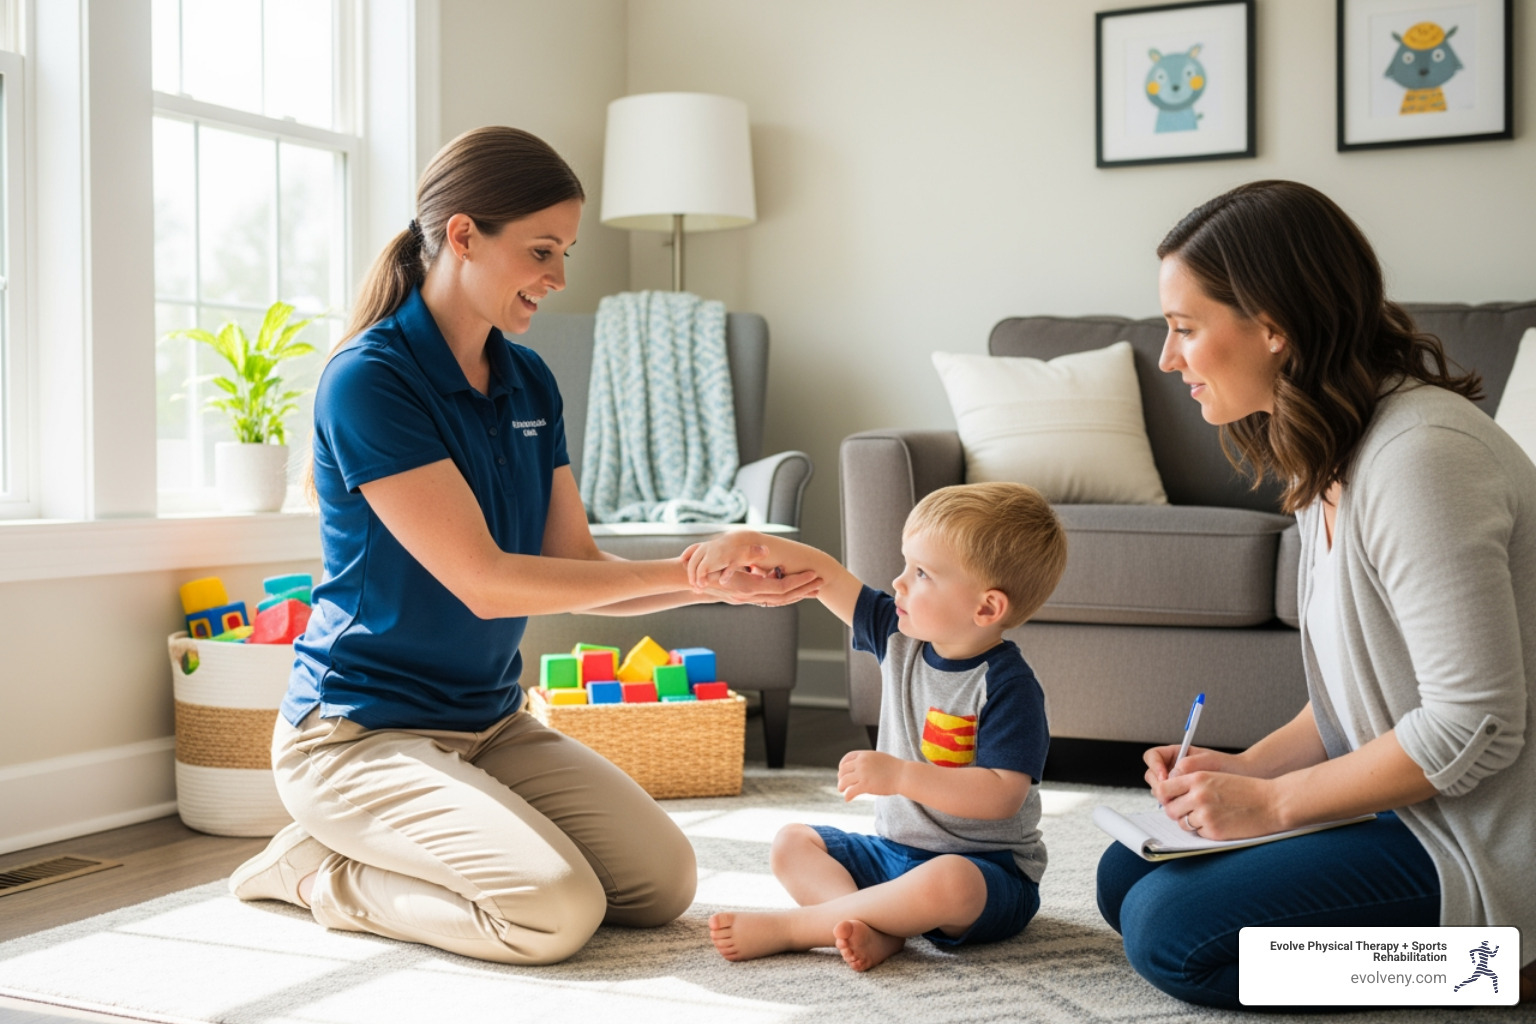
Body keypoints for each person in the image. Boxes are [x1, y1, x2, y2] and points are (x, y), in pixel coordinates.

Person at [227, 126, 818, 966]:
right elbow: (485, 583)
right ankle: (317, 871)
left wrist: (714, 584)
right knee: (552, 912)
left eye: (567, 251)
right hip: (357, 734)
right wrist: (691, 570)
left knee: (662, 884)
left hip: (489, 724)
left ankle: (433, 833)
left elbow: (577, 567)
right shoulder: (370, 380)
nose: (559, 277)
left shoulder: (528, 379)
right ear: (463, 235)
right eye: (543, 250)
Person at [1095, 179, 1536, 1008]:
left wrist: (1272, 804)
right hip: (1414, 805)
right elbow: (1356, 694)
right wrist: (1244, 771)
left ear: (1273, 326)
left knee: (1173, 936)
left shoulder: (1420, 459)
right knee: (1129, 875)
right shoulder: (1326, 456)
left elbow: (1475, 723)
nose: (1167, 357)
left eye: (1186, 328)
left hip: (1485, 834)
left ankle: (1487, 966)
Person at [686, 482, 1068, 971]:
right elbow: (822, 575)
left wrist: (900, 776)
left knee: (948, 881)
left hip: (986, 872)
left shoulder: (1009, 686)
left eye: (923, 573)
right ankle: (873, 927)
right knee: (791, 843)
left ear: (987, 609)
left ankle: (799, 929)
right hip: (893, 856)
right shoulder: (898, 635)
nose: (899, 583)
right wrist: (748, 543)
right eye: (906, 565)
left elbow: (1000, 796)